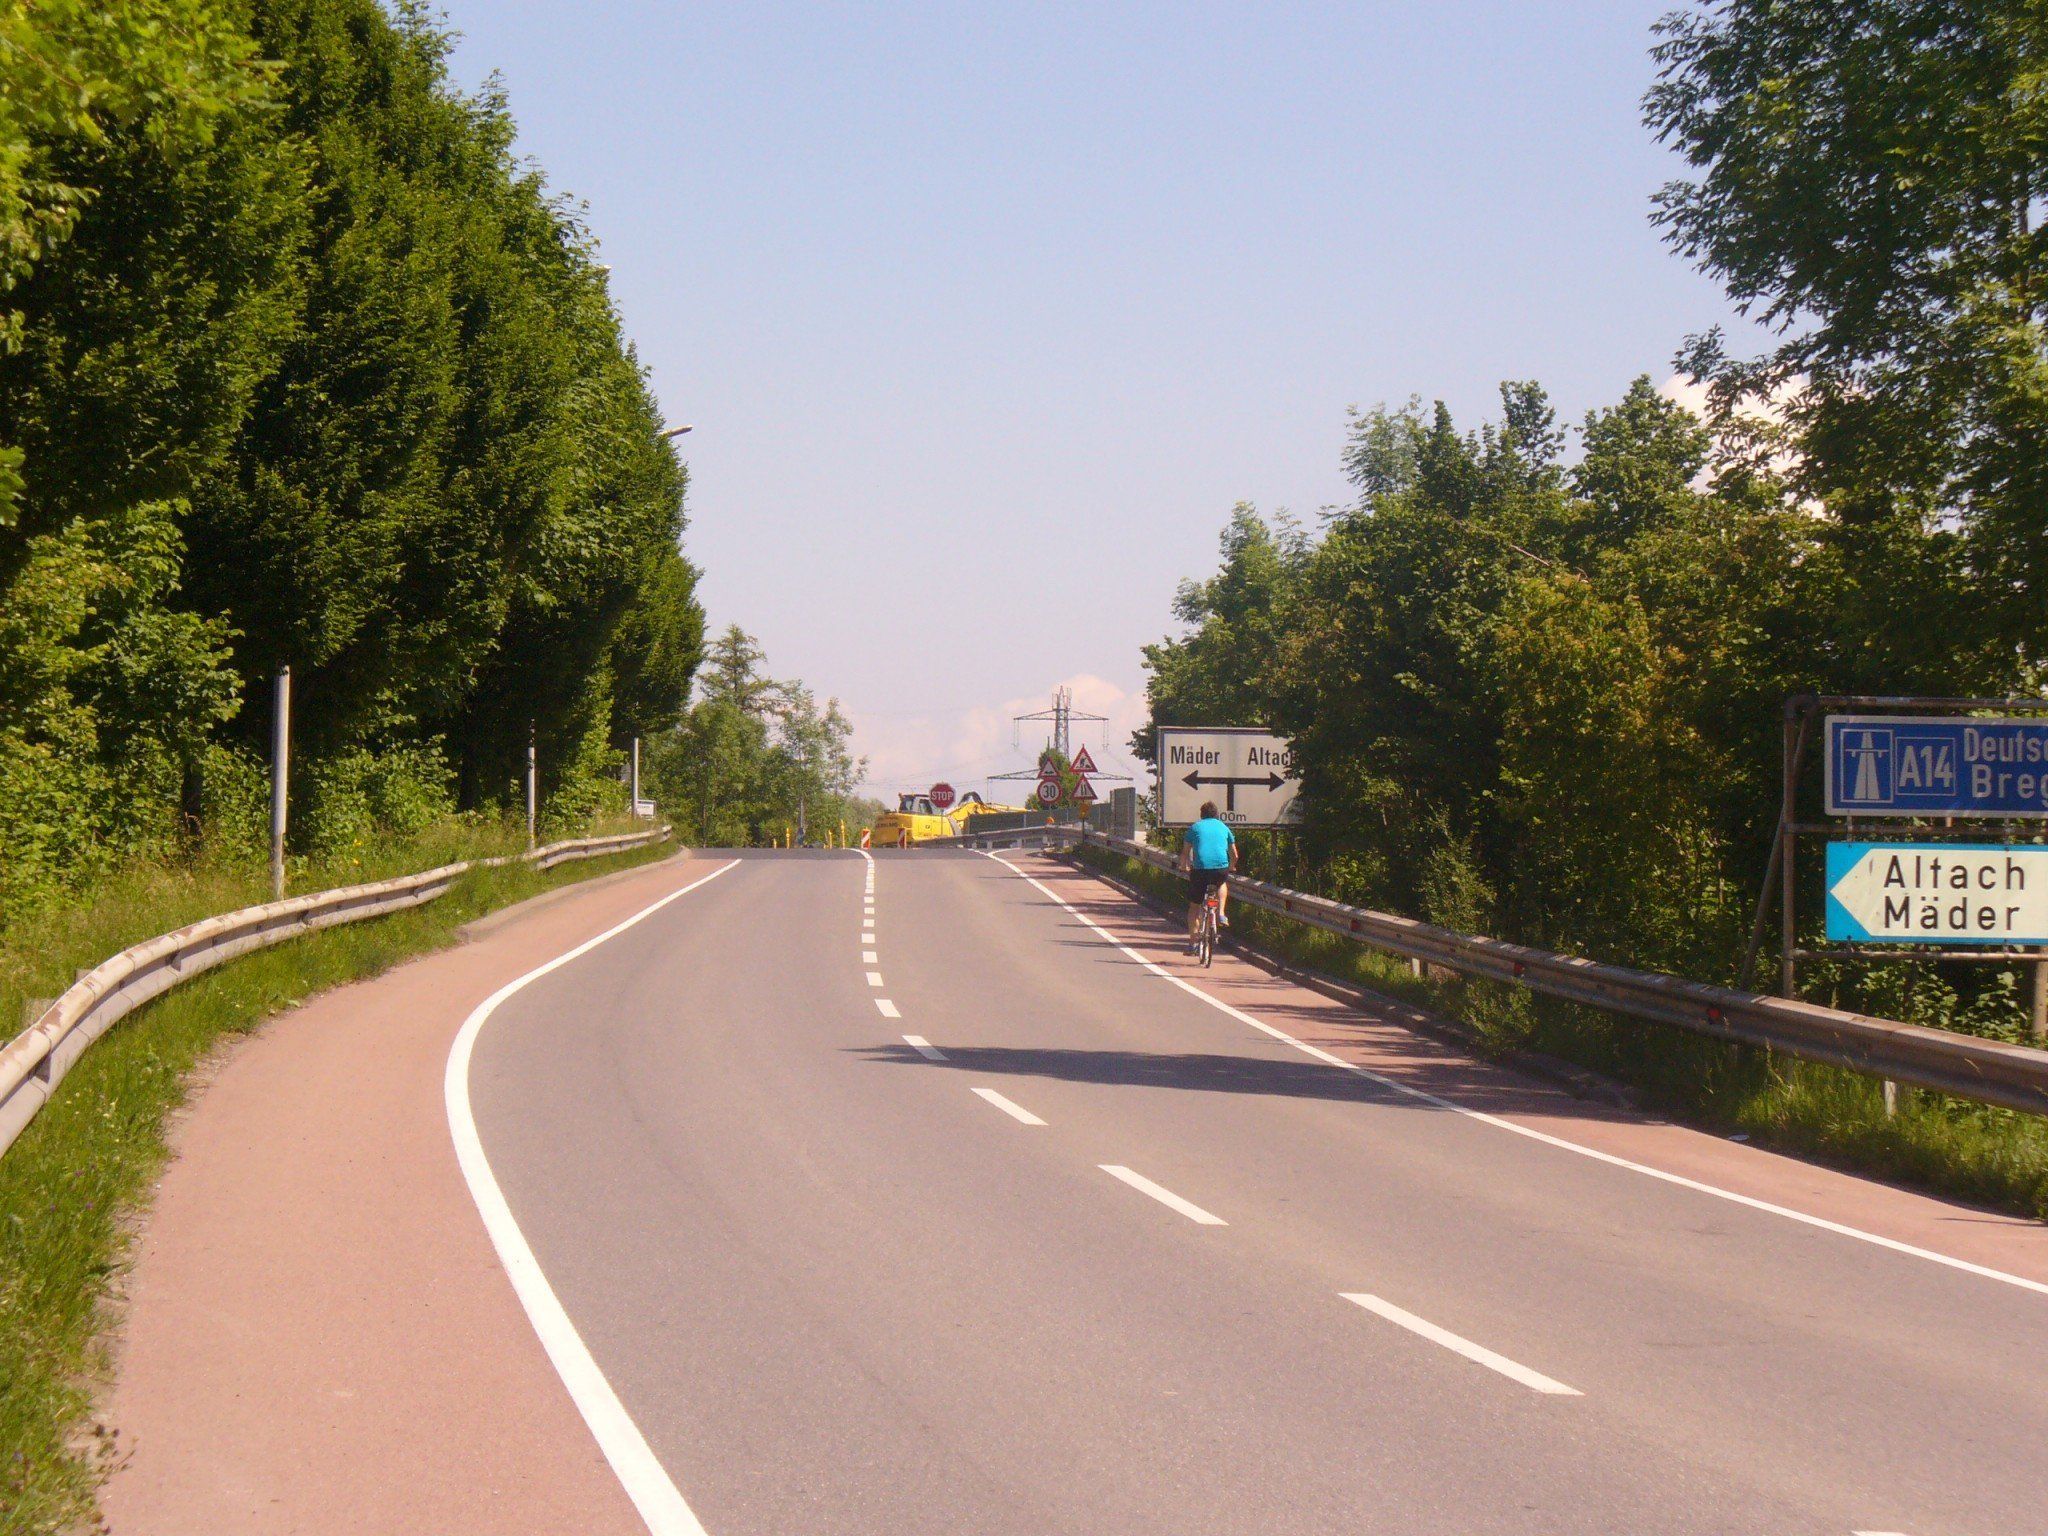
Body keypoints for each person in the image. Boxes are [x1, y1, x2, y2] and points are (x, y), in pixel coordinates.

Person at [1178, 800, 1238, 953]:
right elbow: (1235, 854)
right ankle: (1221, 913)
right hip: (1220, 869)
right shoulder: (1224, 827)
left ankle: (1193, 944)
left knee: (1194, 908)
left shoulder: (1195, 827)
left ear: (1201, 814)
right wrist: (1231, 866)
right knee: (1222, 882)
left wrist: (1183, 866)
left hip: (1200, 871)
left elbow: (1185, 852)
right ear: (1217, 814)